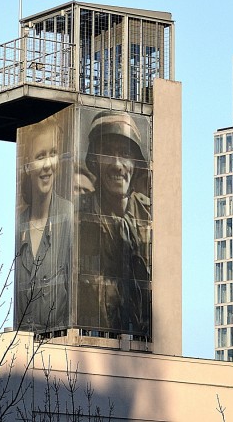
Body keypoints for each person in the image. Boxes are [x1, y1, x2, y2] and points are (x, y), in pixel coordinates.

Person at [77, 110, 152, 337]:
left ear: (134, 163)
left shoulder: (151, 215)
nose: (118, 165)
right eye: (108, 154)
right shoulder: (78, 215)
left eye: (125, 154)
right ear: (94, 160)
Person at [15, 118, 72, 332]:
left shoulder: (69, 218)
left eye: (53, 153)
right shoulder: (18, 226)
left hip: (60, 352)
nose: (48, 164)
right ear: (28, 164)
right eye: (41, 156)